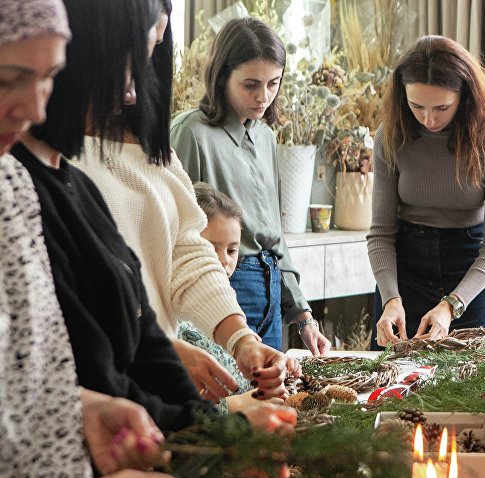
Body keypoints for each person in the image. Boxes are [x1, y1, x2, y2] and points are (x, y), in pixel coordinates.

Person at [21, 0, 296, 433]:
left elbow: (186, 249)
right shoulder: (41, 168)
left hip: (141, 401)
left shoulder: (140, 147)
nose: (134, 88)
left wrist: (239, 339)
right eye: (135, 56)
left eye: (154, 51)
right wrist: (165, 357)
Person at [0, 1, 190, 478]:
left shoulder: (11, 185)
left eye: (48, 77)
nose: (36, 109)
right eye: (8, 80)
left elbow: (29, 370)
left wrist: (79, 405)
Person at [171, 17, 330, 354]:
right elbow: (176, 236)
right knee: (226, 403)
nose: (264, 96)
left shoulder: (266, 137)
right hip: (223, 285)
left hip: (271, 288)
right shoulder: (190, 133)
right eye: (251, 84)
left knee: (270, 397)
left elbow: (276, 237)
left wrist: (303, 315)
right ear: (222, 76)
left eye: (274, 83)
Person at [367, 35, 485, 349]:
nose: (428, 119)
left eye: (441, 107)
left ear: (465, 96)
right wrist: (390, 298)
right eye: (416, 105)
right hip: (407, 271)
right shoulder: (391, 136)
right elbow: (381, 232)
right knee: (396, 386)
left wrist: (452, 305)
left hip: (474, 271)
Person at [180, 181, 304, 413]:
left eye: (231, 250)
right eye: (211, 248)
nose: (224, 260)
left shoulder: (230, 306)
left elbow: (240, 369)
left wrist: (270, 372)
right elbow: (181, 405)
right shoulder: (174, 315)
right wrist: (240, 404)